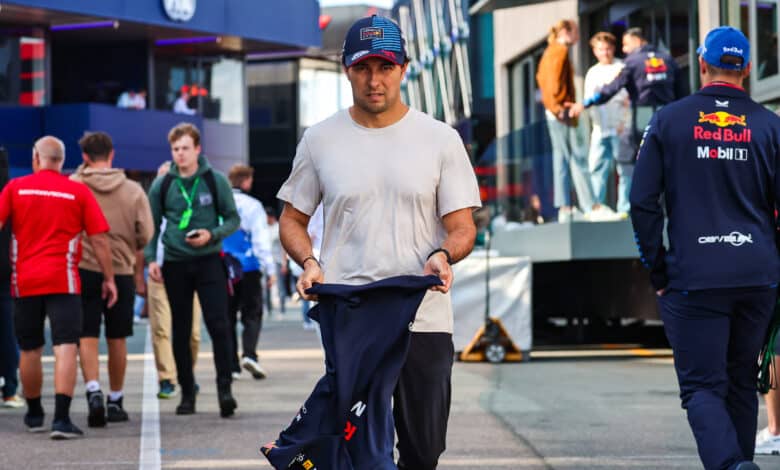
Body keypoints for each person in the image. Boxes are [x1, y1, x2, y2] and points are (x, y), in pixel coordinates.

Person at [274, 15, 481, 469]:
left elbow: (463, 226)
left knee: (424, 451)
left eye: (385, 67)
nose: (374, 80)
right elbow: (291, 219)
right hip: (352, 315)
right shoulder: (319, 140)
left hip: (422, 316)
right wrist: (308, 261)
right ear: (346, 68)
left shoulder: (440, 139)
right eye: (363, 67)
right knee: (359, 451)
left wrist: (444, 255)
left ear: (403, 68)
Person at [630, 26, 779, 470]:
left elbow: (641, 203)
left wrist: (658, 270)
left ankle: (733, 465)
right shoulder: (771, 126)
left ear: (700, 64)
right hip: (757, 274)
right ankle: (738, 464)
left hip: (694, 275)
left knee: (701, 388)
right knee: (738, 382)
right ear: (748, 69)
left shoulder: (669, 120)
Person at [0, 136, 118, 439]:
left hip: (24, 280)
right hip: (63, 280)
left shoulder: (15, 188)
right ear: (62, 161)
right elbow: (100, 238)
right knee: (65, 344)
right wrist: (109, 278)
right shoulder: (77, 191)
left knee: (30, 348)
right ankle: (61, 419)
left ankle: (35, 413)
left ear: (36, 157)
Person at [145, 123, 240, 417]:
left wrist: (211, 234)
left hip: (209, 260)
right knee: (181, 329)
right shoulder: (162, 185)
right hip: (175, 263)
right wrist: (151, 259)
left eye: (185, 148)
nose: (180, 154)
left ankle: (225, 390)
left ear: (197, 149)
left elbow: (233, 219)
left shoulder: (215, 180)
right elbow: (151, 227)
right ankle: (187, 393)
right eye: (175, 149)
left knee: (219, 325)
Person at [70, 131, 154, 427]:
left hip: (82, 268)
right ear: (112, 154)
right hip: (120, 270)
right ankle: (115, 399)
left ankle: (93, 389)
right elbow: (146, 233)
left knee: (87, 334)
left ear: (84, 157)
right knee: (118, 337)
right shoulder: (132, 190)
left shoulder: (75, 185)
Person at [570, 27, 686, 198]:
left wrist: (586, 103)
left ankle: (633, 205)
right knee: (666, 161)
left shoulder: (632, 61)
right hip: (667, 117)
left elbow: (611, 89)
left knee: (629, 161)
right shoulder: (667, 59)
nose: (623, 49)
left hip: (642, 118)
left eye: (625, 44)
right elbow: (682, 91)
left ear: (637, 41)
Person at [535, 20, 617, 223]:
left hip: (554, 113)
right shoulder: (559, 51)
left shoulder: (549, 51)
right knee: (576, 158)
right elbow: (551, 83)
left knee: (562, 159)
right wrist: (559, 108)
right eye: (575, 32)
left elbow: (540, 78)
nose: (578, 36)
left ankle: (566, 208)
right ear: (565, 32)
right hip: (561, 113)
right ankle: (591, 206)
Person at [144, 161, 203, 400]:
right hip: (160, 274)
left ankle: (187, 373)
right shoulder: (152, 211)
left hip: (189, 273)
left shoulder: (192, 205)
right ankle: (167, 378)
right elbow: (145, 240)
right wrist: (149, 263)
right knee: (161, 328)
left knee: (193, 332)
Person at [223, 164, 275, 380]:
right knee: (252, 313)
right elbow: (261, 240)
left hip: (224, 266)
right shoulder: (254, 206)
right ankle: (250, 355)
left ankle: (231, 364)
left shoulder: (221, 205)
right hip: (249, 266)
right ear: (245, 181)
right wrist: (269, 268)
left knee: (227, 316)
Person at [583, 32, 631, 214]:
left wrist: (624, 122)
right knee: (596, 168)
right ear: (595, 51)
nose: (605, 52)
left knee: (624, 169)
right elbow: (589, 100)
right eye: (601, 49)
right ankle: (597, 208)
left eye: (608, 48)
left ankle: (624, 209)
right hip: (599, 129)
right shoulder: (592, 73)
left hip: (620, 128)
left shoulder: (621, 67)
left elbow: (628, 99)